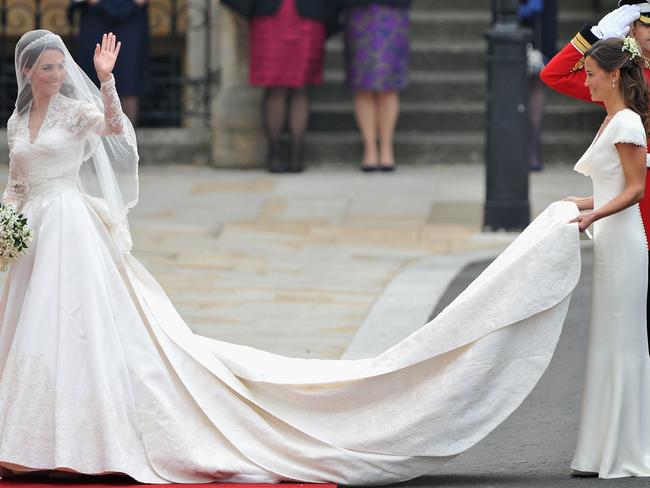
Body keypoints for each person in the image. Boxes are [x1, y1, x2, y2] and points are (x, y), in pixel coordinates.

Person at [0, 29, 587, 482]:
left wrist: (104, 78)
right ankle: (26, 436)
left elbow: (114, 129)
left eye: (60, 67)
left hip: (75, 229)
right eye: (46, 69)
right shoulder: (18, 121)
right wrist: (7, 226)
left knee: (78, 327)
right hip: (33, 232)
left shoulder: (78, 111)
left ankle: (82, 436)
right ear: (28, 73)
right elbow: (16, 183)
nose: (55, 75)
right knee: (29, 328)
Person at [540, 0, 650, 355]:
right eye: (645, 24)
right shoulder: (626, 77)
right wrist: (594, 36)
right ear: (633, 28)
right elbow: (554, 75)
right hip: (636, 203)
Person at [563, 37, 650, 478]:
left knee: (624, 342)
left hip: (625, 242)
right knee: (606, 341)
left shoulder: (628, 123)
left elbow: (635, 190)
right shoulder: (612, 120)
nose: (587, 82)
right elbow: (609, 186)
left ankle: (627, 448)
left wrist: (594, 212)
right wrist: (577, 203)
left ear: (614, 74)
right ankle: (600, 450)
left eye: (592, 74)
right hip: (610, 241)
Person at [221, 0, 338, 173]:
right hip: (270, 18)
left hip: (308, 18)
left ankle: (297, 152)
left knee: (300, 87)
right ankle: (274, 152)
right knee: (275, 87)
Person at [340, 0, 411, 172]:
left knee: (389, 83)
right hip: (359, 11)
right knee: (362, 82)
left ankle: (387, 148)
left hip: (392, 10)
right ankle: (370, 148)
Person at [70, 0, 150, 125]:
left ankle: (126, 140)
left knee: (128, 82)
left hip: (131, 21)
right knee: (92, 82)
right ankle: (93, 139)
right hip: (95, 19)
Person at [518, 0, 558, 171]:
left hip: (541, 33)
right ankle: (518, 150)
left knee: (536, 90)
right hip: (515, 32)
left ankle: (532, 151)